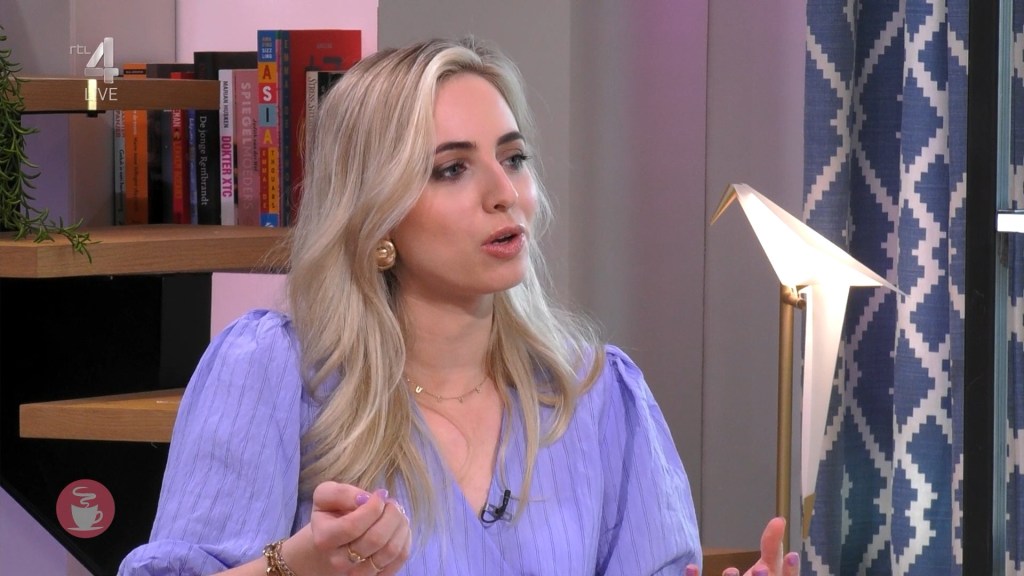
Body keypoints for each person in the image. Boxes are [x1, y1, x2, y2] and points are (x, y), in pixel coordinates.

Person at [119, 37, 799, 576]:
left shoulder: (597, 394)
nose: (505, 193)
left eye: (514, 158)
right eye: (451, 169)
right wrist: (298, 567)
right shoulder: (275, 371)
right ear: (377, 213)